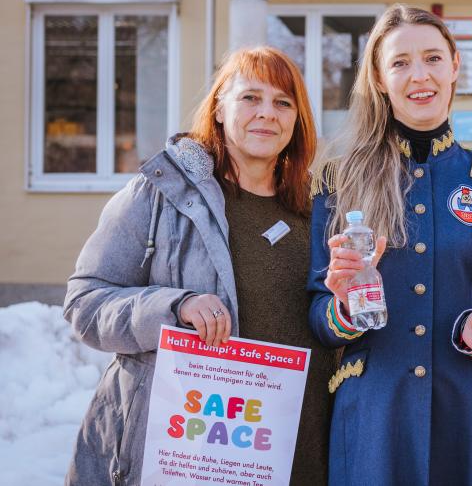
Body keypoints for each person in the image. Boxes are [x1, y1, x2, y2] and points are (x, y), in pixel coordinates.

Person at [63, 47, 331, 485]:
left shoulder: (319, 210)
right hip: (193, 454)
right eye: (251, 98)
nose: (267, 113)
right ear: (220, 108)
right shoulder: (160, 195)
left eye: (283, 102)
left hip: (300, 454)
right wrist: (175, 307)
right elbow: (86, 303)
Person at [308, 4, 472, 485]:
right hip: (375, 417)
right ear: (379, 76)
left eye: (432, 58)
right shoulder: (337, 182)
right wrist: (343, 308)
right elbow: (317, 311)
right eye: (400, 62)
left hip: (470, 411)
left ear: (456, 65)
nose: (419, 76)